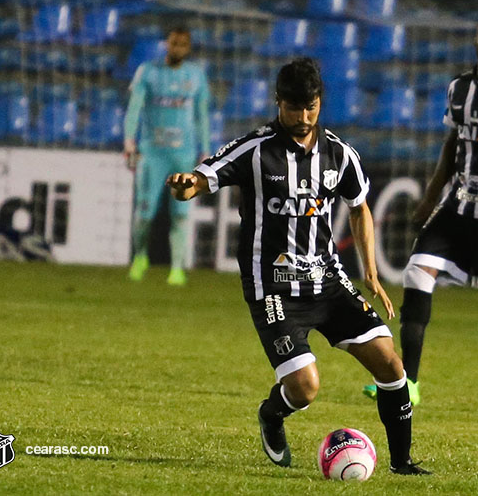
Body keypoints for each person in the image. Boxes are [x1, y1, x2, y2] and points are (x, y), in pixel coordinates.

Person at [166, 58, 431, 474]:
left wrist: (372, 272)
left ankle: (402, 463)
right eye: (293, 107)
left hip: (327, 281)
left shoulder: (339, 154)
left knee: (391, 364)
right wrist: (186, 186)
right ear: (278, 103)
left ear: (320, 102)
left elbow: (359, 207)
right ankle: (272, 414)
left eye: (310, 106)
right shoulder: (255, 150)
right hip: (272, 287)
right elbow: (201, 178)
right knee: (306, 388)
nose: (302, 116)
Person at [363, 16, 478, 414]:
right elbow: (453, 142)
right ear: (476, 41)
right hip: (456, 206)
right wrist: (431, 196)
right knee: (415, 271)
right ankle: (406, 383)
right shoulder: (458, 88)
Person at [124, 26, 210, 286]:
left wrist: (205, 151)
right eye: (173, 44)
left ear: (188, 48)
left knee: (181, 213)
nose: (177, 49)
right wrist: (130, 142)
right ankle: (140, 256)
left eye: (182, 45)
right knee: (145, 212)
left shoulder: (196, 77)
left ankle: (176, 268)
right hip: (152, 152)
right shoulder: (148, 72)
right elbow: (134, 108)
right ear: (167, 45)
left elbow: (201, 116)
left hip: (183, 154)